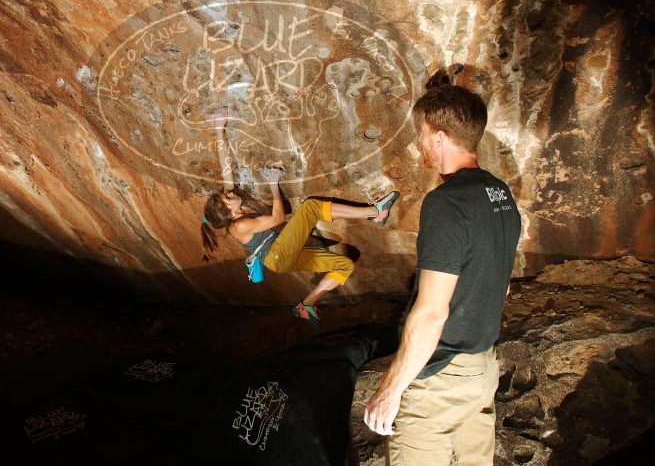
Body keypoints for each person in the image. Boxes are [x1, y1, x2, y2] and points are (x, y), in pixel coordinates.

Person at [363, 83, 521, 465]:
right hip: (483, 371)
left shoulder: (447, 203)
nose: (420, 145)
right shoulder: (500, 194)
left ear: (439, 136)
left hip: (441, 379)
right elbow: (500, 288)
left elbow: (433, 311)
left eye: (420, 135)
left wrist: (392, 388)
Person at [201, 104, 400, 327]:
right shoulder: (239, 226)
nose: (229, 193)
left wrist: (219, 127)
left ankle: (307, 305)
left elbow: (224, 164)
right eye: (227, 198)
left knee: (344, 265)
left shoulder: (233, 207)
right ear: (230, 214)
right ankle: (374, 212)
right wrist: (273, 185)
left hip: (283, 258)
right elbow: (277, 219)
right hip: (277, 255)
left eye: (225, 193)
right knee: (310, 207)